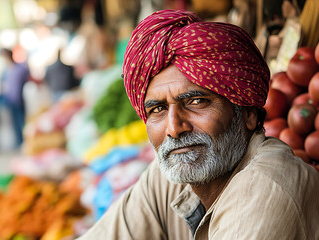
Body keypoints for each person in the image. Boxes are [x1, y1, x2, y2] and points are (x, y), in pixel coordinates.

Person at [78, 9, 319, 239]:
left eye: (196, 101)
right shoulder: (172, 175)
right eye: (158, 109)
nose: (174, 128)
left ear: (248, 113)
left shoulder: (265, 191)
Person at [1, 48, 29, 148]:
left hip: (20, 99)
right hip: (10, 100)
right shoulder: (6, 70)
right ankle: (18, 142)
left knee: (21, 121)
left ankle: (24, 141)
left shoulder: (20, 68)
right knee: (14, 122)